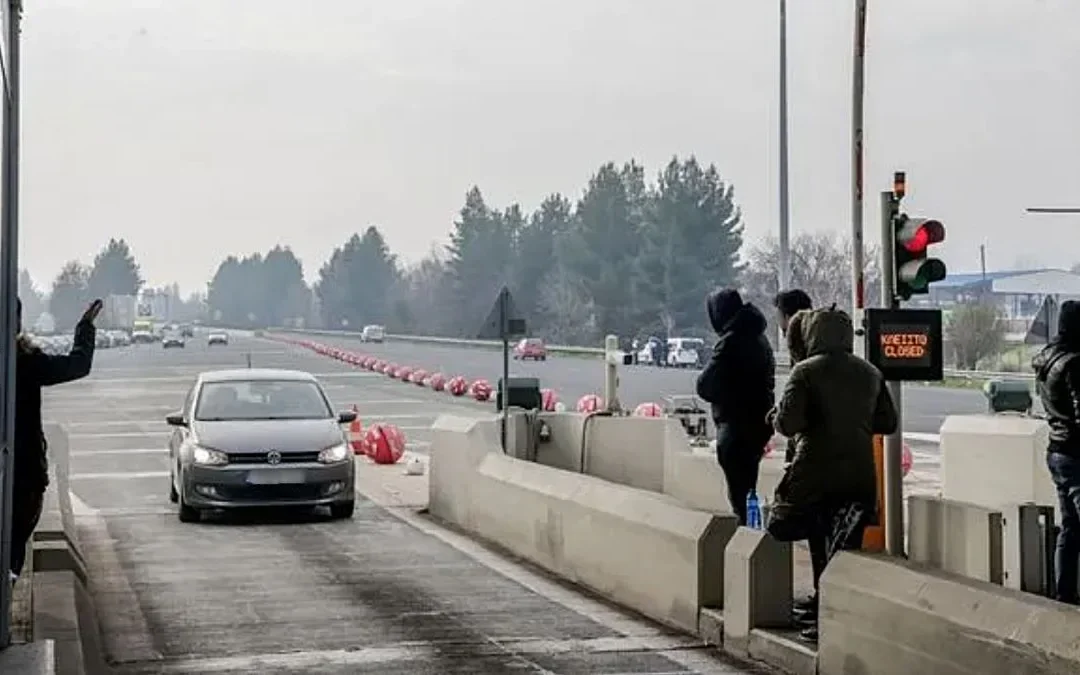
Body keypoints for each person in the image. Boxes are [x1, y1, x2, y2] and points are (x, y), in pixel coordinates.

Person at [766, 305, 897, 642]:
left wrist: (776, 416)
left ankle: (824, 614)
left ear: (813, 334)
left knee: (814, 535)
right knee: (842, 547)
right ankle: (829, 608)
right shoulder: (870, 372)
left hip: (814, 472)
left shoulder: (805, 372)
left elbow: (789, 423)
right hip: (859, 475)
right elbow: (887, 422)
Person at [10, 297, 101, 582]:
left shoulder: (24, 361)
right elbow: (77, 365)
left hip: (23, 477)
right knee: (13, 552)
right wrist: (85, 328)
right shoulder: (24, 360)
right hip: (24, 478)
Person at [696, 289, 775, 526]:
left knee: (739, 491)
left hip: (734, 425)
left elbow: (705, 386)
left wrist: (725, 392)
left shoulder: (731, 342)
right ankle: (751, 529)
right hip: (759, 423)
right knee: (748, 484)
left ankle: (748, 535)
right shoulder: (761, 339)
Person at [1033, 299, 1080, 605]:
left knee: (1070, 528)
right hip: (1077, 453)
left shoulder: (1047, 359)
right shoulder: (1075, 364)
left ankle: (1064, 595)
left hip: (1057, 451)